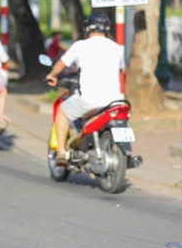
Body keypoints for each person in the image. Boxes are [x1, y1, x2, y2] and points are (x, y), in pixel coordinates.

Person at [45, 12, 125, 166]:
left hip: (89, 100)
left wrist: (52, 75)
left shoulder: (80, 46)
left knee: (62, 111)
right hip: (114, 102)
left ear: (88, 28)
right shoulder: (117, 48)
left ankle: (61, 152)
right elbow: (122, 72)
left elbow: (62, 64)